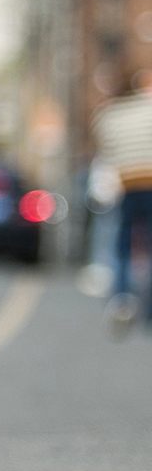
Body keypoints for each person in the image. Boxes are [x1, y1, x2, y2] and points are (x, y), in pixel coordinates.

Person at [92, 70, 152, 338]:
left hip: (127, 185)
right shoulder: (148, 111)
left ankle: (122, 299)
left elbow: (106, 150)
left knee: (122, 246)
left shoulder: (109, 115)